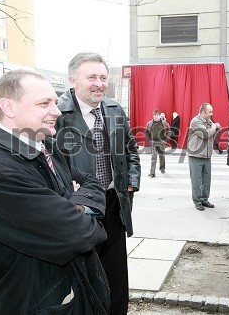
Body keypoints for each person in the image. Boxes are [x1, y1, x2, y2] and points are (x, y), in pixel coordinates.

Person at [0, 69, 109, 314]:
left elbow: (93, 182)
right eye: (44, 103)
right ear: (9, 107)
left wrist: (73, 206)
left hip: (67, 293)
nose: (56, 111)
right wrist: (78, 206)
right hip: (36, 302)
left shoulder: (45, 145)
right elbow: (80, 234)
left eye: (55, 103)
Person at [55, 52, 141, 315]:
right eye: (91, 77)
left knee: (117, 277)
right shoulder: (57, 114)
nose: (99, 83)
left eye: (103, 77)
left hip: (115, 203)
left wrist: (131, 182)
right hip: (80, 209)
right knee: (85, 277)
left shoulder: (114, 109)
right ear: (73, 80)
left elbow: (131, 150)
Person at [187, 103, 221, 211]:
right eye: (210, 112)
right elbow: (205, 134)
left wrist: (216, 129)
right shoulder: (195, 121)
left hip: (207, 155)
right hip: (196, 155)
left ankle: (205, 199)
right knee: (196, 180)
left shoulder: (209, 122)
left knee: (206, 180)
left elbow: (211, 137)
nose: (212, 114)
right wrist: (214, 127)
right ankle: (197, 201)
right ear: (203, 112)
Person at [145, 109, 171, 177]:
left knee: (162, 156)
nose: (156, 116)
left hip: (161, 142)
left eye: (157, 115)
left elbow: (169, 132)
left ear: (160, 116)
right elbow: (146, 132)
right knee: (153, 157)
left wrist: (165, 140)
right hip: (153, 142)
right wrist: (149, 140)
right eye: (154, 115)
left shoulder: (164, 123)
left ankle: (162, 168)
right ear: (153, 116)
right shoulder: (149, 123)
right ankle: (152, 173)